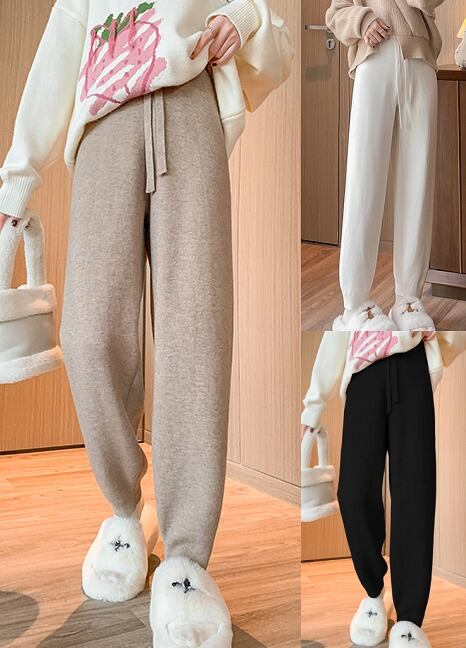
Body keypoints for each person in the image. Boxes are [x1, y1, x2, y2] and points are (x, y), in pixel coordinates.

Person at [0, 2, 293, 645]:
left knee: (196, 332)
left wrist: (243, 19)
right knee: (87, 334)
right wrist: (17, 178)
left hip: (190, 110)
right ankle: (125, 510)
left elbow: (271, 30)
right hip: (104, 121)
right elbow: (59, 52)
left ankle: (186, 556)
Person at [301, 330, 466, 648]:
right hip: (363, 371)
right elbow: (340, 326)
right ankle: (374, 592)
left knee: (415, 495)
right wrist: (314, 404)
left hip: (413, 368)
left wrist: (437, 344)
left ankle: (409, 619)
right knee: (353, 493)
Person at [326, 0, 445, 332]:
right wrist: (363, 20)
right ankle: (354, 305)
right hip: (372, 57)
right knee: (364, 182)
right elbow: (336, 12)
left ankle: (409, 298)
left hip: (420, 60)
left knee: (417, 183)